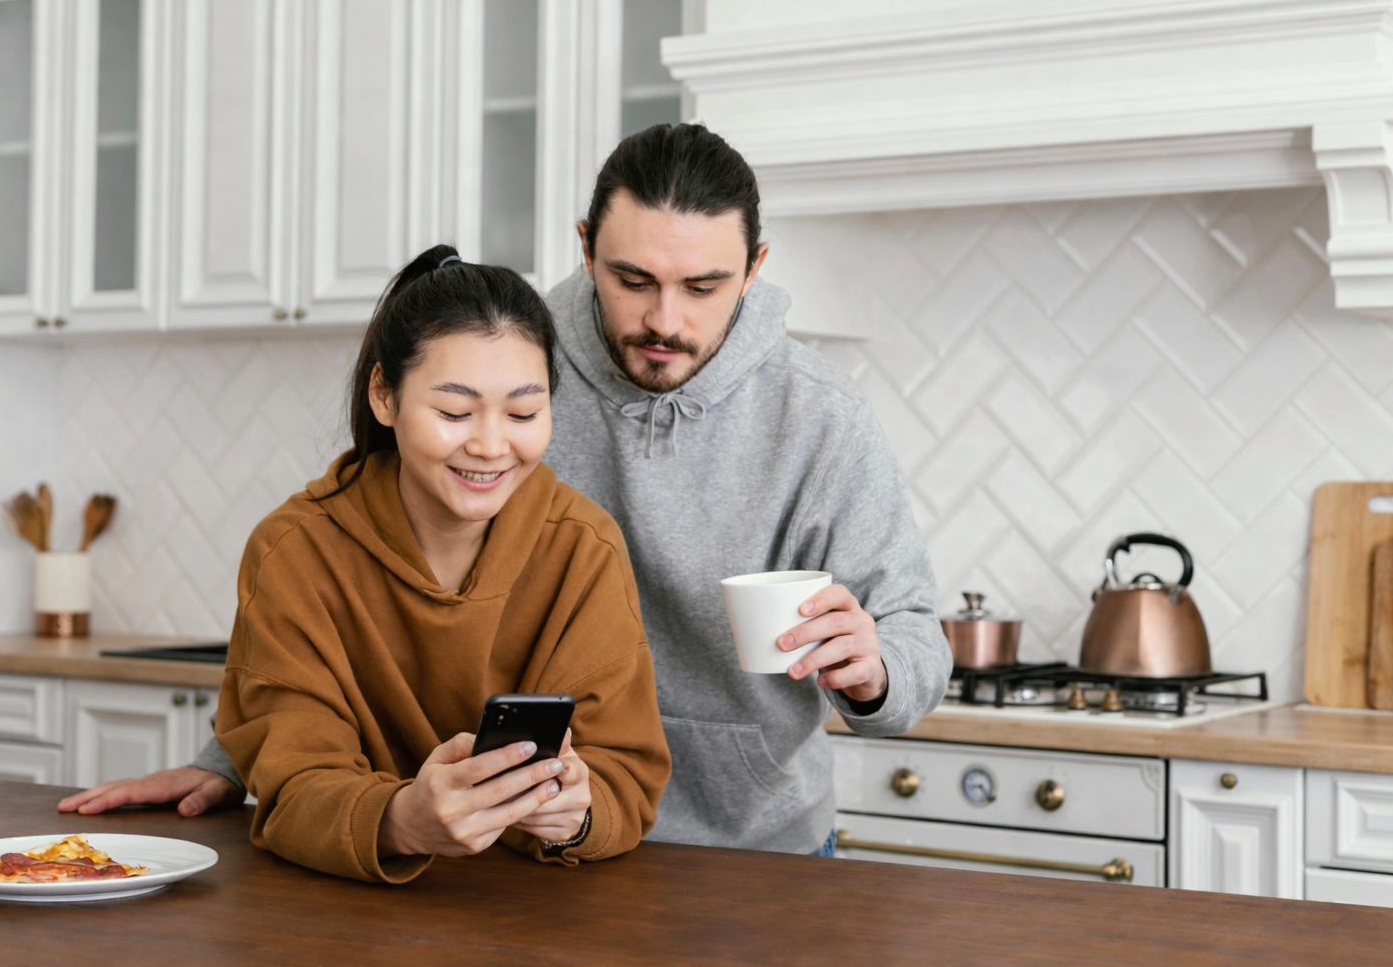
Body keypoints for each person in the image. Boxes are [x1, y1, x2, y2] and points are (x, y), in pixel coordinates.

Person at [61, 124, 951, 858]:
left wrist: (874, 670)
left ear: (753, 272)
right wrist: (251, 756)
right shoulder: (511, 349)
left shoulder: (821, 420)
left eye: (703, 287)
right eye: (632, 279)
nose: (664, 321)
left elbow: (913, 636)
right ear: (586, 250)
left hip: (747, 843)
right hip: (504, 850)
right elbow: (356, 587)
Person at [197, 247, 669, 883]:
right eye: (454, 412)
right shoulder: (295, 552)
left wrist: (580, 812)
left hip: (539, 917)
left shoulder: (583, 548)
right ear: (384, 397)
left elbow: (625, 777)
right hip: (339, 918)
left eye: (524, 413)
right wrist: (399, 819)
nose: (492, 445)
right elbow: (292, 782)